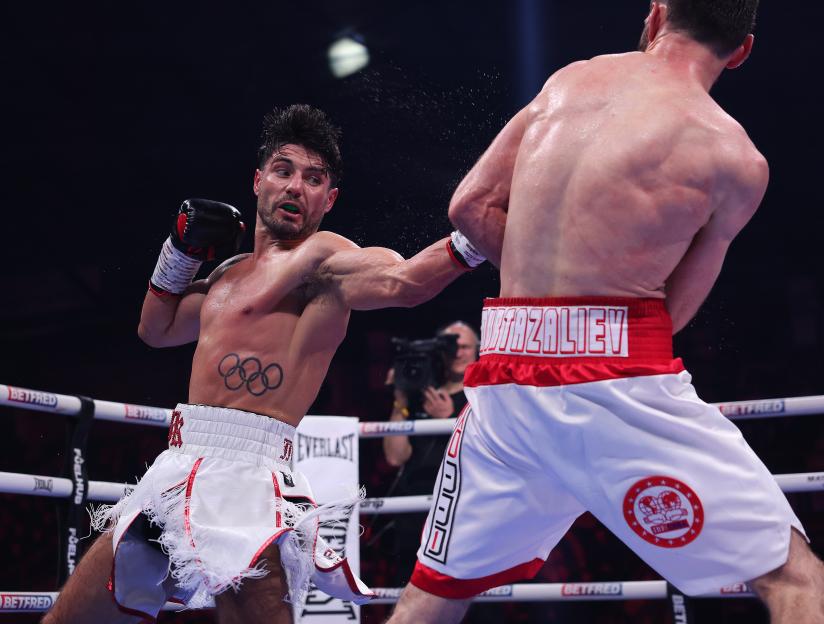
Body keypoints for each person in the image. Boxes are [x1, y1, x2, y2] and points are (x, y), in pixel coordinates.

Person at [388, 2, 824, 623]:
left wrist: (542, 282)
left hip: (506, 377)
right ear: (742, 49)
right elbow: (669, 317)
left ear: (656, 14)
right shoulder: (736, 159)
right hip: (616, 379)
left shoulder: (569, 81)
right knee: (797, 581)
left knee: (430, 596)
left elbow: (469, 207)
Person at [43, 104, 486, 624]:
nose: (296, 186)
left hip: (247, 475)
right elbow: (155, 329)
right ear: (258, 181)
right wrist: (180, 253)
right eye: (284, 170)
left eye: (313, 178)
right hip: (177, 467)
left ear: (330, 198)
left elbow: (404, 282)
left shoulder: (322, 261)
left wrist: (475, 237)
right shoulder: (228, 272)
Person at [382, 322, 479, 584]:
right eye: (451, 346)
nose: (458, 352)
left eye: (464, 346)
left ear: (477, 350)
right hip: (415, 510)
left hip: (462, 509)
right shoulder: (420, 393)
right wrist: (400, 400)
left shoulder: (483, 395)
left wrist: (449, 422)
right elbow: (395, 456)